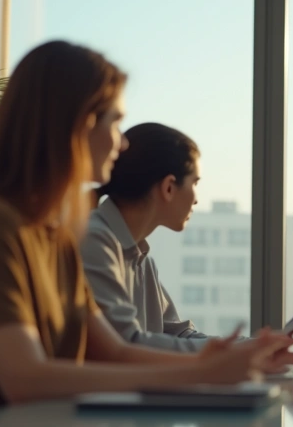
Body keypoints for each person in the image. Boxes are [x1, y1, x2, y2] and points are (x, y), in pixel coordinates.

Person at [0, 41, 293, 427]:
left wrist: (216, 364)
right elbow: (26, 380)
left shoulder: (57, 238)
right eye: (115, 122)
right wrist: (204, 374)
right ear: (78, 123)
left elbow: (116, 352)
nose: (122, 144)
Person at [82, 122, 236, 351]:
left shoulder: (142, 259)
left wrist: (246, 347)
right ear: (169, 187)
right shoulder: (94, 240)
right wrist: (227, 355)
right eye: (195, 183)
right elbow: (126, 343)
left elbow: (178, 334)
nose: (196, 199)